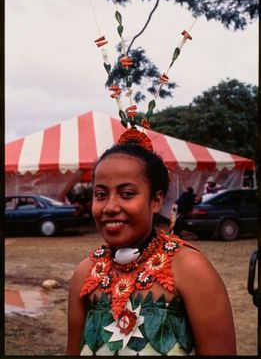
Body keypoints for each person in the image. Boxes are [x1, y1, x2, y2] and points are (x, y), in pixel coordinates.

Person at [67, 142, 236, 356]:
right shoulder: (85, 273)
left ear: (156, 201)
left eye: (126, 194)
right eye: (100, 195)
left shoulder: (191, 270)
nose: (110, 207)